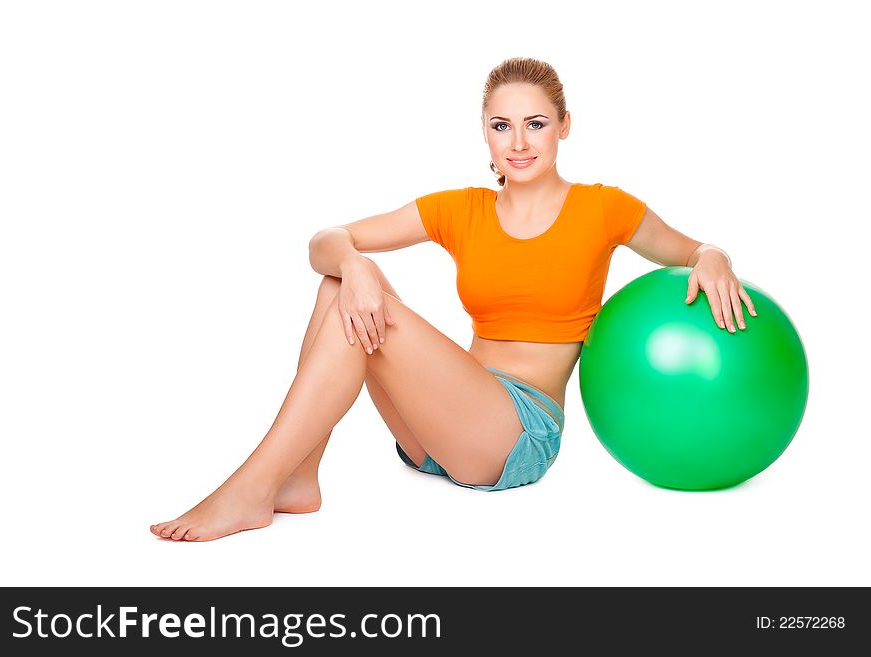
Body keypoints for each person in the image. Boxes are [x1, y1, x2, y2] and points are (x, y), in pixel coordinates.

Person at [150, 57, 757, 542]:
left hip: (518, 434)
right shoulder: (460, 209)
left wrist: (716, 257)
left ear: (564, 125)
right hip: (438, 432)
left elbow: (691, 249)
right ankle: (297, 477)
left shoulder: (604, 208)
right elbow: (325, 241)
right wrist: (357, 262)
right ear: (485, 134)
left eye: (535, 124)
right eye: (501, 126)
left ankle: (255, 487)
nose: (518, 143)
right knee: (339, 280)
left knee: (360, 298)